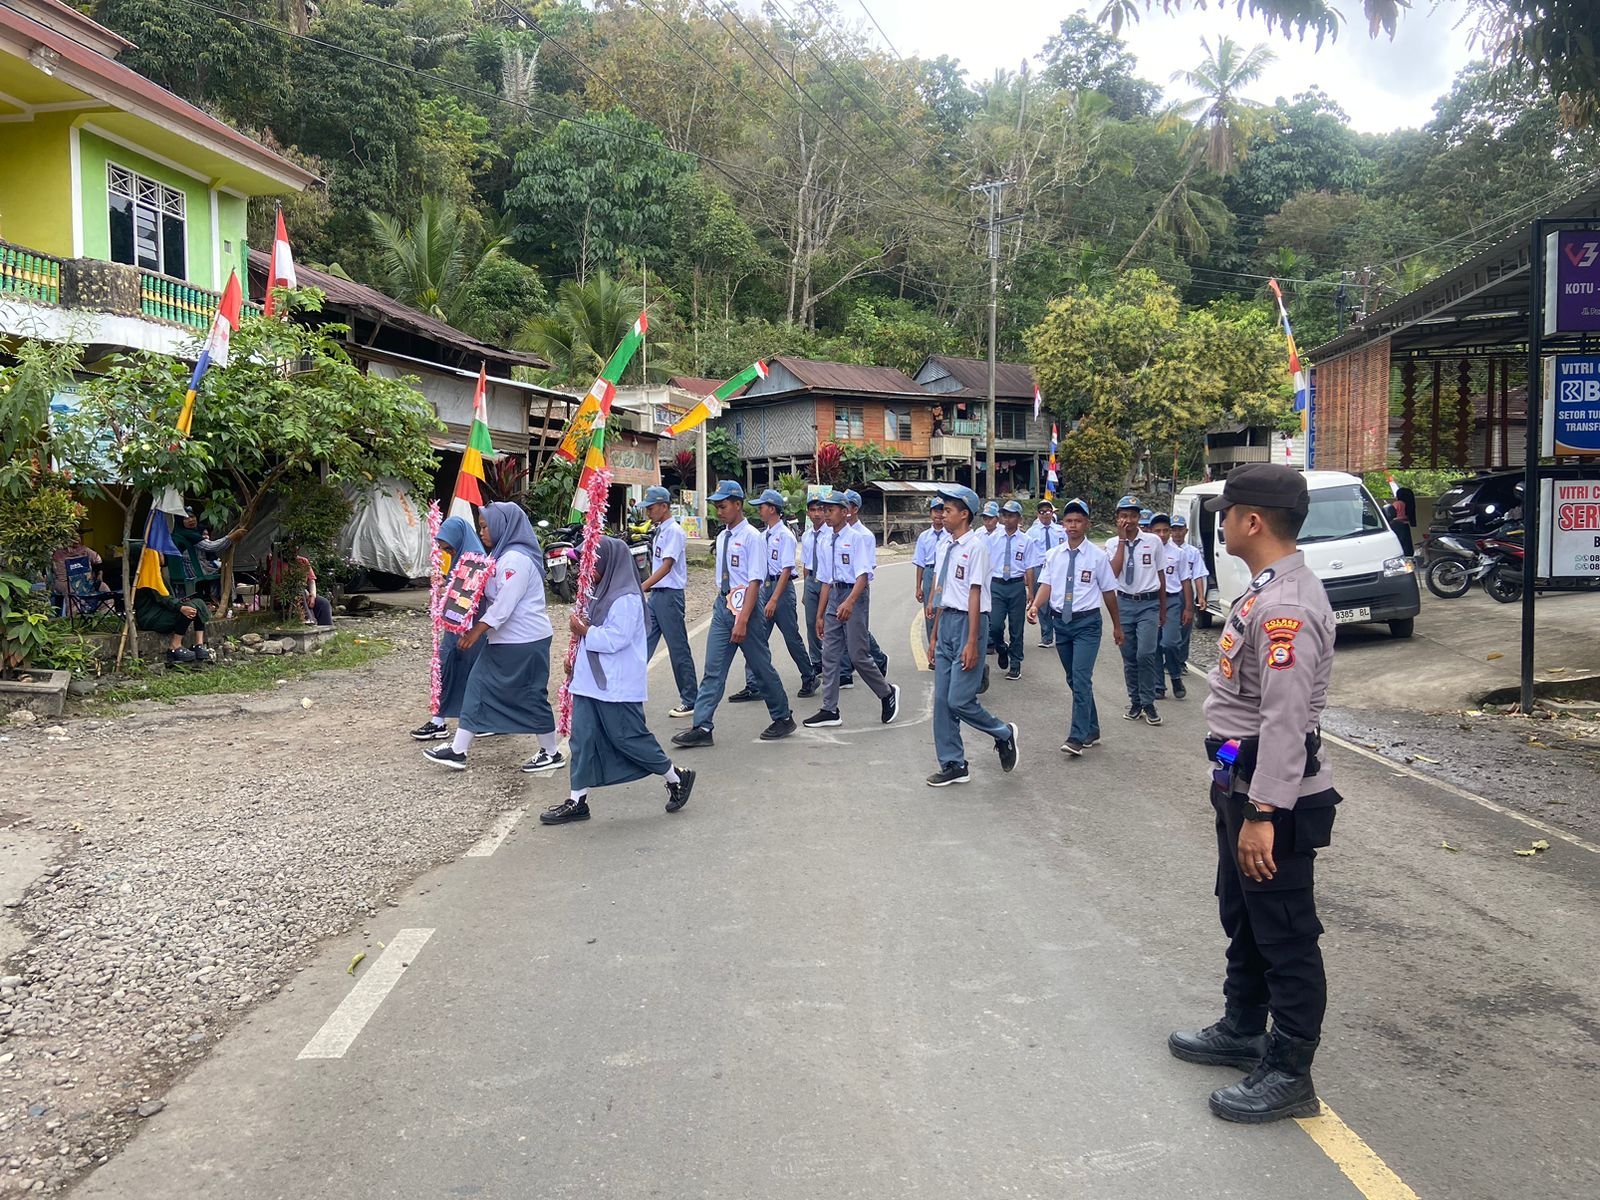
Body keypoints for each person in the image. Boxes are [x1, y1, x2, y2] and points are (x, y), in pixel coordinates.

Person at [1169, 463, 1340, 1124]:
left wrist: (1263, 812)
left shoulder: (1286, 607)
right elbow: (1242, 712)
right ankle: (1244, 1026)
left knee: (1286, 932)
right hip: (1241, 779)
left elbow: (1286, 721)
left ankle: (1290, 1071)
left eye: (1227, 514)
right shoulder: (1264, 590)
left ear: (1253, 521)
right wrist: (1234, 788)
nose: (1222, 525)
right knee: (1242, 912)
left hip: (1275, 796)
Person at [539, 537, 695, 825]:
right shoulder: (595, 594)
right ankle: (577, 800)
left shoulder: (626, 598)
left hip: (616, 684)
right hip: (589, 682)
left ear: (608, 563)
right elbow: (588, 634)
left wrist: (584, 631)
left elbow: (615, 639)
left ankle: (676, 777)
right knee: (582, 738)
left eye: (590, 564)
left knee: (628, 737)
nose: (584, 570)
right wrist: (575, 657)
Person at [423, 502, 562, 774]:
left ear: (502, 526)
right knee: (478, 685)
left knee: (530, 695)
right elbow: (484, 592)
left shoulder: (516, 559)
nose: (482, 532)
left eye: (486, 526)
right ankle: (459, 750)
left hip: (524, 640)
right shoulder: (502, 556)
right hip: (508, 640)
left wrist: (476, 631)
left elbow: (503, 604)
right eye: (481, 527)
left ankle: (551, 752)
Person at [672, 480, 795, 748]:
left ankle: (783, 716)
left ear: (738, 505)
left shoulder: (752, 537)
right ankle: (702, 726)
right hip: (723, 607)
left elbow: (754, 581)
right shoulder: (722, 537)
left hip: (747, 610)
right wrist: (724, 609)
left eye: (723, 506)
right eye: (716, 507)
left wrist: (743, 620)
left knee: (760, 667)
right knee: (713, 669)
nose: (719, 511)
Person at [926, 485, 1018, 787]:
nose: (942, 515)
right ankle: (953, 764)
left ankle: (1003, 732)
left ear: (964, 514)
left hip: (969, 623)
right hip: (947, 623)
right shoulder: (944, 546)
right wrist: (934, 636)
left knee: (959, 700)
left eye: (948, 510)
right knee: (942, 702)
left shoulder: (976, 547)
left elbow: (975, 594)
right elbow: (942, 593)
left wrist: (972, 642)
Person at [1027, 498, 1122, 756]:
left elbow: (1109, 592)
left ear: (1087, 524)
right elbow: (1046, 584)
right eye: (1069, 521)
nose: (1073, 525)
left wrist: (1117, 626)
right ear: (1063, 524)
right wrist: (1035, 605)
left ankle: (1076, 736)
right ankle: (1092, 728)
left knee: (1080, 678)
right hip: (1061, 623)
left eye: (1078, 521)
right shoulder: (1053, 555)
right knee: (1073, 678)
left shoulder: (1098, 557)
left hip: (1087, 624)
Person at [803, 490, 899, 729]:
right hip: (834, 595)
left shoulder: (857, 538)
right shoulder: (825, 541)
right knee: (829, 655)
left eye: (830, 510)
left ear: (845, 512)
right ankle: (829, 709)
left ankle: (886, 692)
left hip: (854, 595)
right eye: (824, 510)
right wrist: (820, 615)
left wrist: (850, 602)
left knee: (858, 655)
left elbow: (863, 575)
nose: (826, 514)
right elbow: (826, 580)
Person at [732, 489, 816, 700]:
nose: (759, 511)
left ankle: (809, 676)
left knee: (791, 637)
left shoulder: (785, 536)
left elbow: (786, 569)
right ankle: (753, 684)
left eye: (761, 507)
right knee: (756, 638)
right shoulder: (761, 536)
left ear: (772, 509)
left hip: (781, 589)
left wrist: (774, 599)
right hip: (764, 587)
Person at [410, 514, 488, 742]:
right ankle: (439, 720)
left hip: (473, 630)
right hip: (456, 628)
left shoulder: (476, 560)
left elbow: (471, 596)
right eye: (445, 550)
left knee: (471, 672)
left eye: (449, 549)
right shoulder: (461, 558)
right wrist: (443, 587)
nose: (448, 553)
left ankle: (479, 720)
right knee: (446, 667)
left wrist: (448, 592)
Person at [638, 485, 698, 719]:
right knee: (642, 643)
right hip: (657, 596)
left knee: (677, 648)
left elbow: (667, 566)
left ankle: (690, 699)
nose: (648, 512)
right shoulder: (660, 530)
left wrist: (642, 586)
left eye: (651, 508)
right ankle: (626, 693)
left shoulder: (673, 531)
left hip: (670, 595)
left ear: (664, 506)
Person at [1108, 495, 1167, 726]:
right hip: (1124, 603)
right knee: (1129, 656)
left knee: (1146, 654)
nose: (1128, 520)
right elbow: (1113, 574)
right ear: (1117, 518)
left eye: (1133, 516)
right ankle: (1136, 702)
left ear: (1139, 518)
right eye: (1124, 516)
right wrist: (1122, 541)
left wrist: (1163, 607)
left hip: (1148, 604)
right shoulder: (1112, 544)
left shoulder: (1153, 541)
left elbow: (1160, 574)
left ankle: (1149, 702)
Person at [988, 500, 1040, 682]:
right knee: (994, 625)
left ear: (1019, 518)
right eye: (1005, 516)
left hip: (1016, 585)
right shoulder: (993, 539)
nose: (1007, 519)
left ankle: (1016, 663)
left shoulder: (1026, 541)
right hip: (997, 585)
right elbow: (986, 563)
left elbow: (1030, 568)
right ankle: (1002, 648)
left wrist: (1031, 592)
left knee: (1016, 628)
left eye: (1011, 516)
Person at [842, 490, 890, 680]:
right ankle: (844, 670)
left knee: (858, 630)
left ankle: (878, 658)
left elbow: (868, 567)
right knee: (842, 629)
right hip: (839, 587)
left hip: (857, 587)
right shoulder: (837, 531)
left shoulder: (864, 535)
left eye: (846, 506)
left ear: (854, 509)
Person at [1150, 513, 1193, 702]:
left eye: (1165, 530)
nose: (1162, 534)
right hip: (1152, 601)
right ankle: (1158, 685)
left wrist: (1188, 607)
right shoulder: (1146, 551)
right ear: (1151, 531)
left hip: (1172, 601)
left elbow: (1185, 580)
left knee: (1169, 642)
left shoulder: (1178, 553)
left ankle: (1175, 675)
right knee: (1154, 645)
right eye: (1157, 531)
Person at [1161, 515, 1205, 698]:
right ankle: (1161, 679)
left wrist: (1200, 597)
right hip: (1161, 596)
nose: (1177, 533)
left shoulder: (1191, 552)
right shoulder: (1158, 549)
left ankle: (1179, 663)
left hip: (1181, 593)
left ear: (1186, 531)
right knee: (1162, 639)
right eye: (1174, 529)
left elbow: (1197, 575)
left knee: (1182, 631)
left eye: (1180, 529)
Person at [135, 576, 213, 665]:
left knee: (198, 602)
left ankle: (198, 644)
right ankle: (175, 646)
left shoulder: (157, 574)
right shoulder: (149, 576)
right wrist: (180, 607)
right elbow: (163, 598)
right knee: (188, 609)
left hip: (163, 612)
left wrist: (180, 603)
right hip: (151, 618)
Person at [913, 497, 948, 669]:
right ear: (930, 514)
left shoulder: (950, 535)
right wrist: (918, 586)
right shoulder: (924, 537)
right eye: (936, 511)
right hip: (929, 572)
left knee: (946, 611)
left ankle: (944, 652)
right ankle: (932, 653)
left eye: (942, 510)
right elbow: (920, 563)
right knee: (930, 613)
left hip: (945, 573)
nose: (939, 515)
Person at [798, 496, 828, 690]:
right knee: (811, 623)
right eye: (813, 510)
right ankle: (816, 660)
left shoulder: (831, 534)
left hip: (827, 581)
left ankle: (839, 661)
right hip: (811, 579)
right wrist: (804, 588)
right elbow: (806, 563)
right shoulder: (807, 535)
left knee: (828, 622)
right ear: (808, 513)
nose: (817, 514)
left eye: (820, 510)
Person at [1028, 500, 1062, 647]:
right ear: (1038, 514)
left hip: (1057, 568)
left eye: (1048, 511)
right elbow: (1028, 554)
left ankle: (1061, 634)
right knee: (1041, 604)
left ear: (1052, 513)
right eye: (1042, 512)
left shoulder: (1060, 531)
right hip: (1039, 568)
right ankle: (1047, 636)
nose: (1045, 514)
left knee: (1058, 600)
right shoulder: (1032, 532)